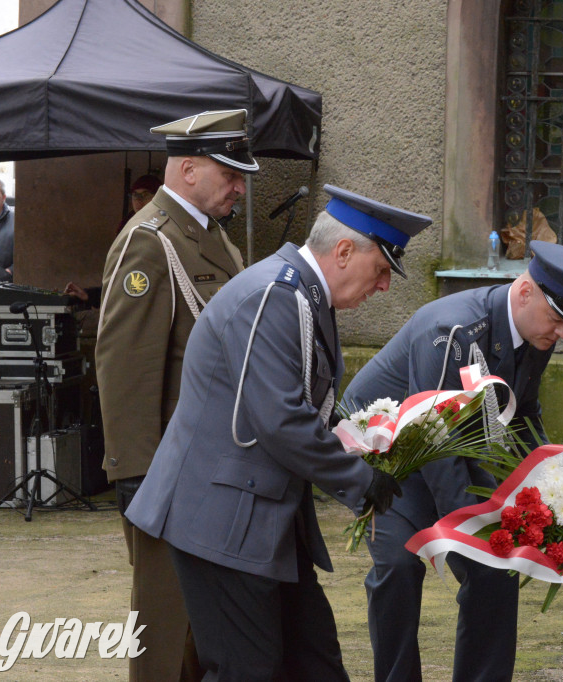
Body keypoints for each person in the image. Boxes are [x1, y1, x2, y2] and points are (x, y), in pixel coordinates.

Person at [125, 185, 430, 681]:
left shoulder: (301, 294)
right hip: (220, 520)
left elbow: (302, 407)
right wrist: (359, 480)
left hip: (260, 518)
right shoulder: (274, 295)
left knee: (316, 663)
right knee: (246, 670)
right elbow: (280, 419)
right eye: (381, 270)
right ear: (344, 251)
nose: (384, 287)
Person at [341, 240, 563, 682]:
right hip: (385, 458)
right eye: (557, 318)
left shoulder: (537, 331)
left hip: (454, 449)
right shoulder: (451, 331)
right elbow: (432, 434)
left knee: (495, 569)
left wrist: (556, 485)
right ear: (525, 293)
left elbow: (523, 414)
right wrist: (473, 528)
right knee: (398, 567)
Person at [95, 109, 255, 682]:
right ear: (189, 170)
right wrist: (135, 471)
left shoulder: (211, 237)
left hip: (210, 464)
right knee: (164, 623)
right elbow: (125, 366)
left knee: (202, 622)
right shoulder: (150, 243)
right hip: (167, 469)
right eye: (229, 174)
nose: (240, 188)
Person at [66, 173, 163, 306]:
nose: (139, 200)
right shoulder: (126, 226)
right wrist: (88, 295)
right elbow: (122, 278)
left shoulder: (163, 229)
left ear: (157, 197)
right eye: (135, 195)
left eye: (145, 195)